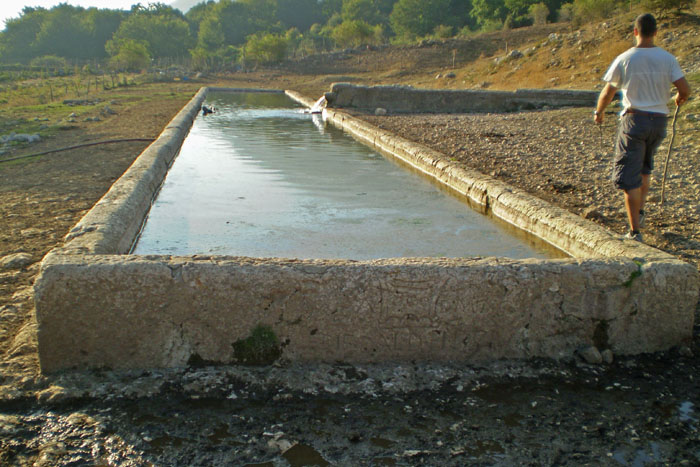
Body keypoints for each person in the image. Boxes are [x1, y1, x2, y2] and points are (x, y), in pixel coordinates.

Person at [594, 13, 691, 242]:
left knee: (630, 177)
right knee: (645, 169)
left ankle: (634, 231)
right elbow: (685, 90)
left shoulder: (625, 58)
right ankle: (641, 211)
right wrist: (677, 97)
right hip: (658, 121)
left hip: (634, 120)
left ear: (635, 32)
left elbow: (608, 92)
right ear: (656, 32)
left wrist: (599, 112)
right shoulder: (668, 59)